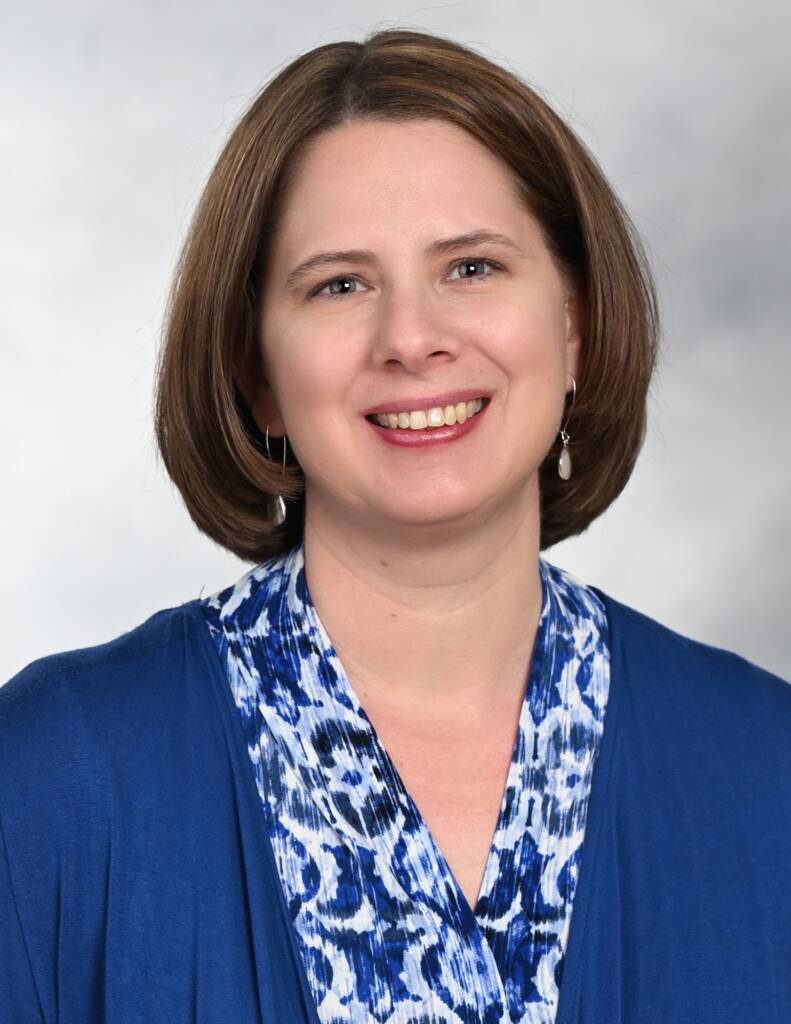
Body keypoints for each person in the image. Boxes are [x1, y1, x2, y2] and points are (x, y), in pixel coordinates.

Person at [1, 27, 789, 1024]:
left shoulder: (768, 771)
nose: (411, 338)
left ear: (575, 327)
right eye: (338, 285)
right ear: (258, 374)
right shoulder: (54, 783)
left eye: (470, 268)